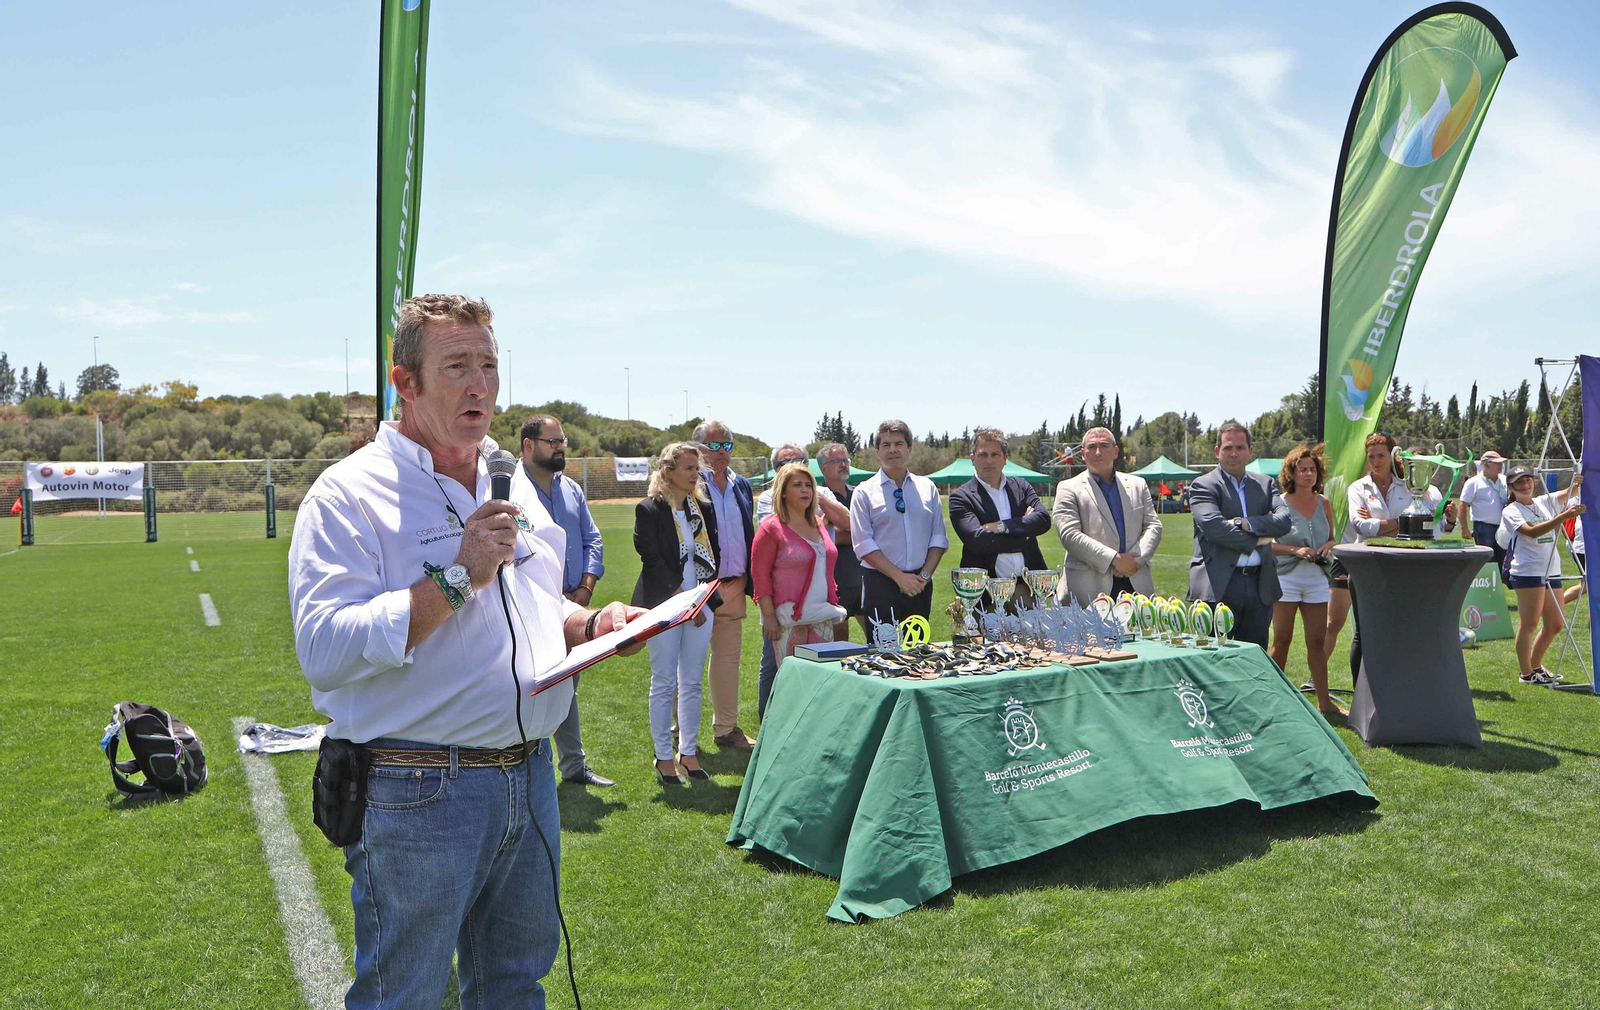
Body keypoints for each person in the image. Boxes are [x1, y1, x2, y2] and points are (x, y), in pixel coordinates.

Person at [288, 293, 644, 1008]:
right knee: (406, 997)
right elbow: (324, 648)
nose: (480, 384)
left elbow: (535, 604)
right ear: (405, 381)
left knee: (515, 986)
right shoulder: (348, 495)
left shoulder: (507, 481)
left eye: (489, 364)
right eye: (457, 366)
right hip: (416, 787)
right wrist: (457, 576)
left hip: (528, 779)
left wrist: (592, 623)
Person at [512, 413, 613, 787]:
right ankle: (529, 764)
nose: (559, 448)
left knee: (567, 685)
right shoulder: (510, 490)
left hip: (574, 608)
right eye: (552, 442)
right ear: (528, 445)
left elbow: (593, 539)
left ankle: (571, 765)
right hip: (531, 607)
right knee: (532, 685)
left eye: (562, 442)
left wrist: (585, 589)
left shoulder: (571, 488)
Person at [1324, 433, 1458, 684]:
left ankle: (1399, 688)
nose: (1376, 461)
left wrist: (1390, 524)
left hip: (1404, 566)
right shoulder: (1358, 487)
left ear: (1392, 456)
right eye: (1371, 456)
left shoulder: (1409, 486)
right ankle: (1360, 694)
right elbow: (1361, 526)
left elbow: (1427, 528)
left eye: (1381, 456)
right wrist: (1402, 524)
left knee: (1402, 631)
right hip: (1366, 568)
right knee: (1365, 634)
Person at [633, 442, 724, 785]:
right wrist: (684, 602)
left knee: (692, 682)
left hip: (701, 606)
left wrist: (700, 602)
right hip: (664, 607)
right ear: (668, 471)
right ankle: (662, 757)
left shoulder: (702, 508)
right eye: (688, 468)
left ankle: (688, 752)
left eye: (696, 469)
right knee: (664, 682)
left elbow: (714, 555)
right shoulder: (649, 509)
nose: (694, 474)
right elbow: (652, 560)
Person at [753, 442, 851, 710]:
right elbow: (759, 575)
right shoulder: (771, 528)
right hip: (787, 618)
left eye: (808, 485)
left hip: (821, 614)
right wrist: (770, 619)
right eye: (797, 485)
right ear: (783, 492)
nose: (805, 490)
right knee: (789, 682)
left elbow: (848, 523)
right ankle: (775, 731)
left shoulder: (819, 523)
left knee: (819, 679)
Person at [1187, 422, 1292, 648]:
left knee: (1254, 657)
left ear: (1250, 452)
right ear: (1217, 451)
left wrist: (1243, 523)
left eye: (1240, 447)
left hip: (1259, 585)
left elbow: (1284, 522)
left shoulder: (1265, 484)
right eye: (1227, 448)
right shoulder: (1202, 485)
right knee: (1213, 658)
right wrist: (1259, 537)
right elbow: (1214, 528)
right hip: (1218, 586)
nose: (1233, 453)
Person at [692, 419, 757, 751]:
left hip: (735, 584)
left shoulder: (741, 484)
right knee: (685, 661)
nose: (721, 453)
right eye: (714, 446)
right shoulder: (689, 483)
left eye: (727, 446)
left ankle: (726, 729)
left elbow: (749, 532)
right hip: (699, 589)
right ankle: (680, 731)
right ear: (700, 449)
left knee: (728, 659)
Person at [1267, 446, 1343, 716]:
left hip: (1317, 581)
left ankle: (1325, 703)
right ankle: (1272, 701)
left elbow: (1333, 537)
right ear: (1292, 472)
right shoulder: (1279, 502)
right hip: (1286, 578)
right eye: (1303, 469)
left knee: (1316, 643)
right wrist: (1295, 550)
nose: (1308, 474)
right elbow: (1267, 545)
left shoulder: (1324, 502)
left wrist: (1328, 546)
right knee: (1282, 640)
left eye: (1312, 469)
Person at [1049, 426, 1162, 606]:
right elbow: (1070, 535)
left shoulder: (1138, 484)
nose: (1098, 452)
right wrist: (1114, 560)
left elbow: (1153, 526)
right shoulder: (1067, 488)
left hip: (1136, 584)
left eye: (1104, 446)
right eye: (1091, 447)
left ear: (1116, 451)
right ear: (1082, 453)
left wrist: (1135, 561)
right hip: (1088, 592)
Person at [849, 421, 948, 627]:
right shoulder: (864, 492)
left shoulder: (927, 487)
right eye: (886, 445)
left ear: (909, 449)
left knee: (919, 653)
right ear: (877, 451)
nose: (893, 450)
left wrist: (924, 576)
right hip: (880, 584)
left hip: (920, 584)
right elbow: (863, 544)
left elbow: (938, 537)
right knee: (881, 655)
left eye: (899, 444)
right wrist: (899, 577)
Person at [1499, 465, 1586, 685]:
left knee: (1556, 623)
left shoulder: (1542, 501)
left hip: (1551, 569)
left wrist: (1579, 480)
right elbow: (1531, 531)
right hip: (1528, 571)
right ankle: (1526, 674)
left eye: (1528, 480)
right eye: (1519, 482)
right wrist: (1562, 517)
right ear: (1511, 487)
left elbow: (1571, 493)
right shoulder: (1511, 510)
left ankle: (1536, 666)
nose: (1525, 485)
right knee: (1529, 624)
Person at [949, 428, 1051, 606]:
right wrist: (1024, 533)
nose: (989, 460)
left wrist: (1000, 527)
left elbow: (1043, 519)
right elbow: (977, 540)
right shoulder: (961, 497)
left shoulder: (1021, 487)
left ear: (1005, 458)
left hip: (1028, 588)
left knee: (1036, 634)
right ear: (972, 459)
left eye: (995, 454)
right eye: (983, 455)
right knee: (986, 635)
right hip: (987, 593)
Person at [817, 442, 865, 641]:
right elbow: (821, 537)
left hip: (865, 580)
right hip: (835, 583)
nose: (843, 464)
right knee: (839, 647)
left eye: (846, 460)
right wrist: (860, 535)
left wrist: (839, 533)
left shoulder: (861, 494)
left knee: (879, 638)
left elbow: (875, 532)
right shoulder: (817, 496)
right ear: (823, 468)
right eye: (837, 461)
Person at [1458, 450, 1510, 563]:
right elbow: (1462, 505)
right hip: (1483, 528)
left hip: (1504, 526)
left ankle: (1503, 581)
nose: (1501, 465)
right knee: (1488, 561)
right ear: (1486, 464)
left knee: (1505, 560)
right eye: (1497, 463)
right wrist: (1464, 529)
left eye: (1501, 463)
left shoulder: (1505, 480)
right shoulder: (1473, 482)